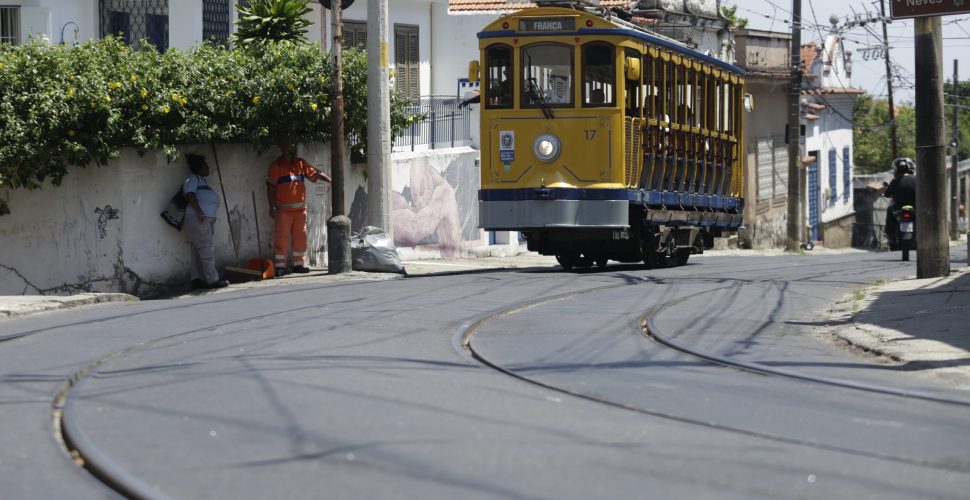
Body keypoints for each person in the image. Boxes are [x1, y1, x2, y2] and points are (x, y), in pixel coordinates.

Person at [266, 140, 332, 276]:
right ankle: (280, 266)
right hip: (283, 211)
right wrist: (271, 206)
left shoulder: (301, 163)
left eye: (294, 146)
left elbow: (316, 173)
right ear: (282, 147)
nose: (294, 148)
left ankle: (298, 264)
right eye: (290, 145)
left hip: (300, 210)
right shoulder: (276, 165)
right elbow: (270, 188)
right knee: (281, 238)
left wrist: (331, 180)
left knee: (300, 237)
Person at [183, 154, 229, 290]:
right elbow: (189, 195)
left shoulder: (202, 181)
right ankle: (212, 280)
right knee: (206, 249)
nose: (208, 167)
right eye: (205, 165)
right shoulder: (192, 179)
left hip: (202, 220)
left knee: (198, 251)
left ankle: (197, 279)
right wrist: (199, 212)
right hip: (199, 219)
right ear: (199, 167)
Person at [883, 157, 917, 247]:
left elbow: (887, 194)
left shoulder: (895, 181)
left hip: (899, 209)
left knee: (889, 209)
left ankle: (889, 234)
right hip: (916, 209)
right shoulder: (917, 179)